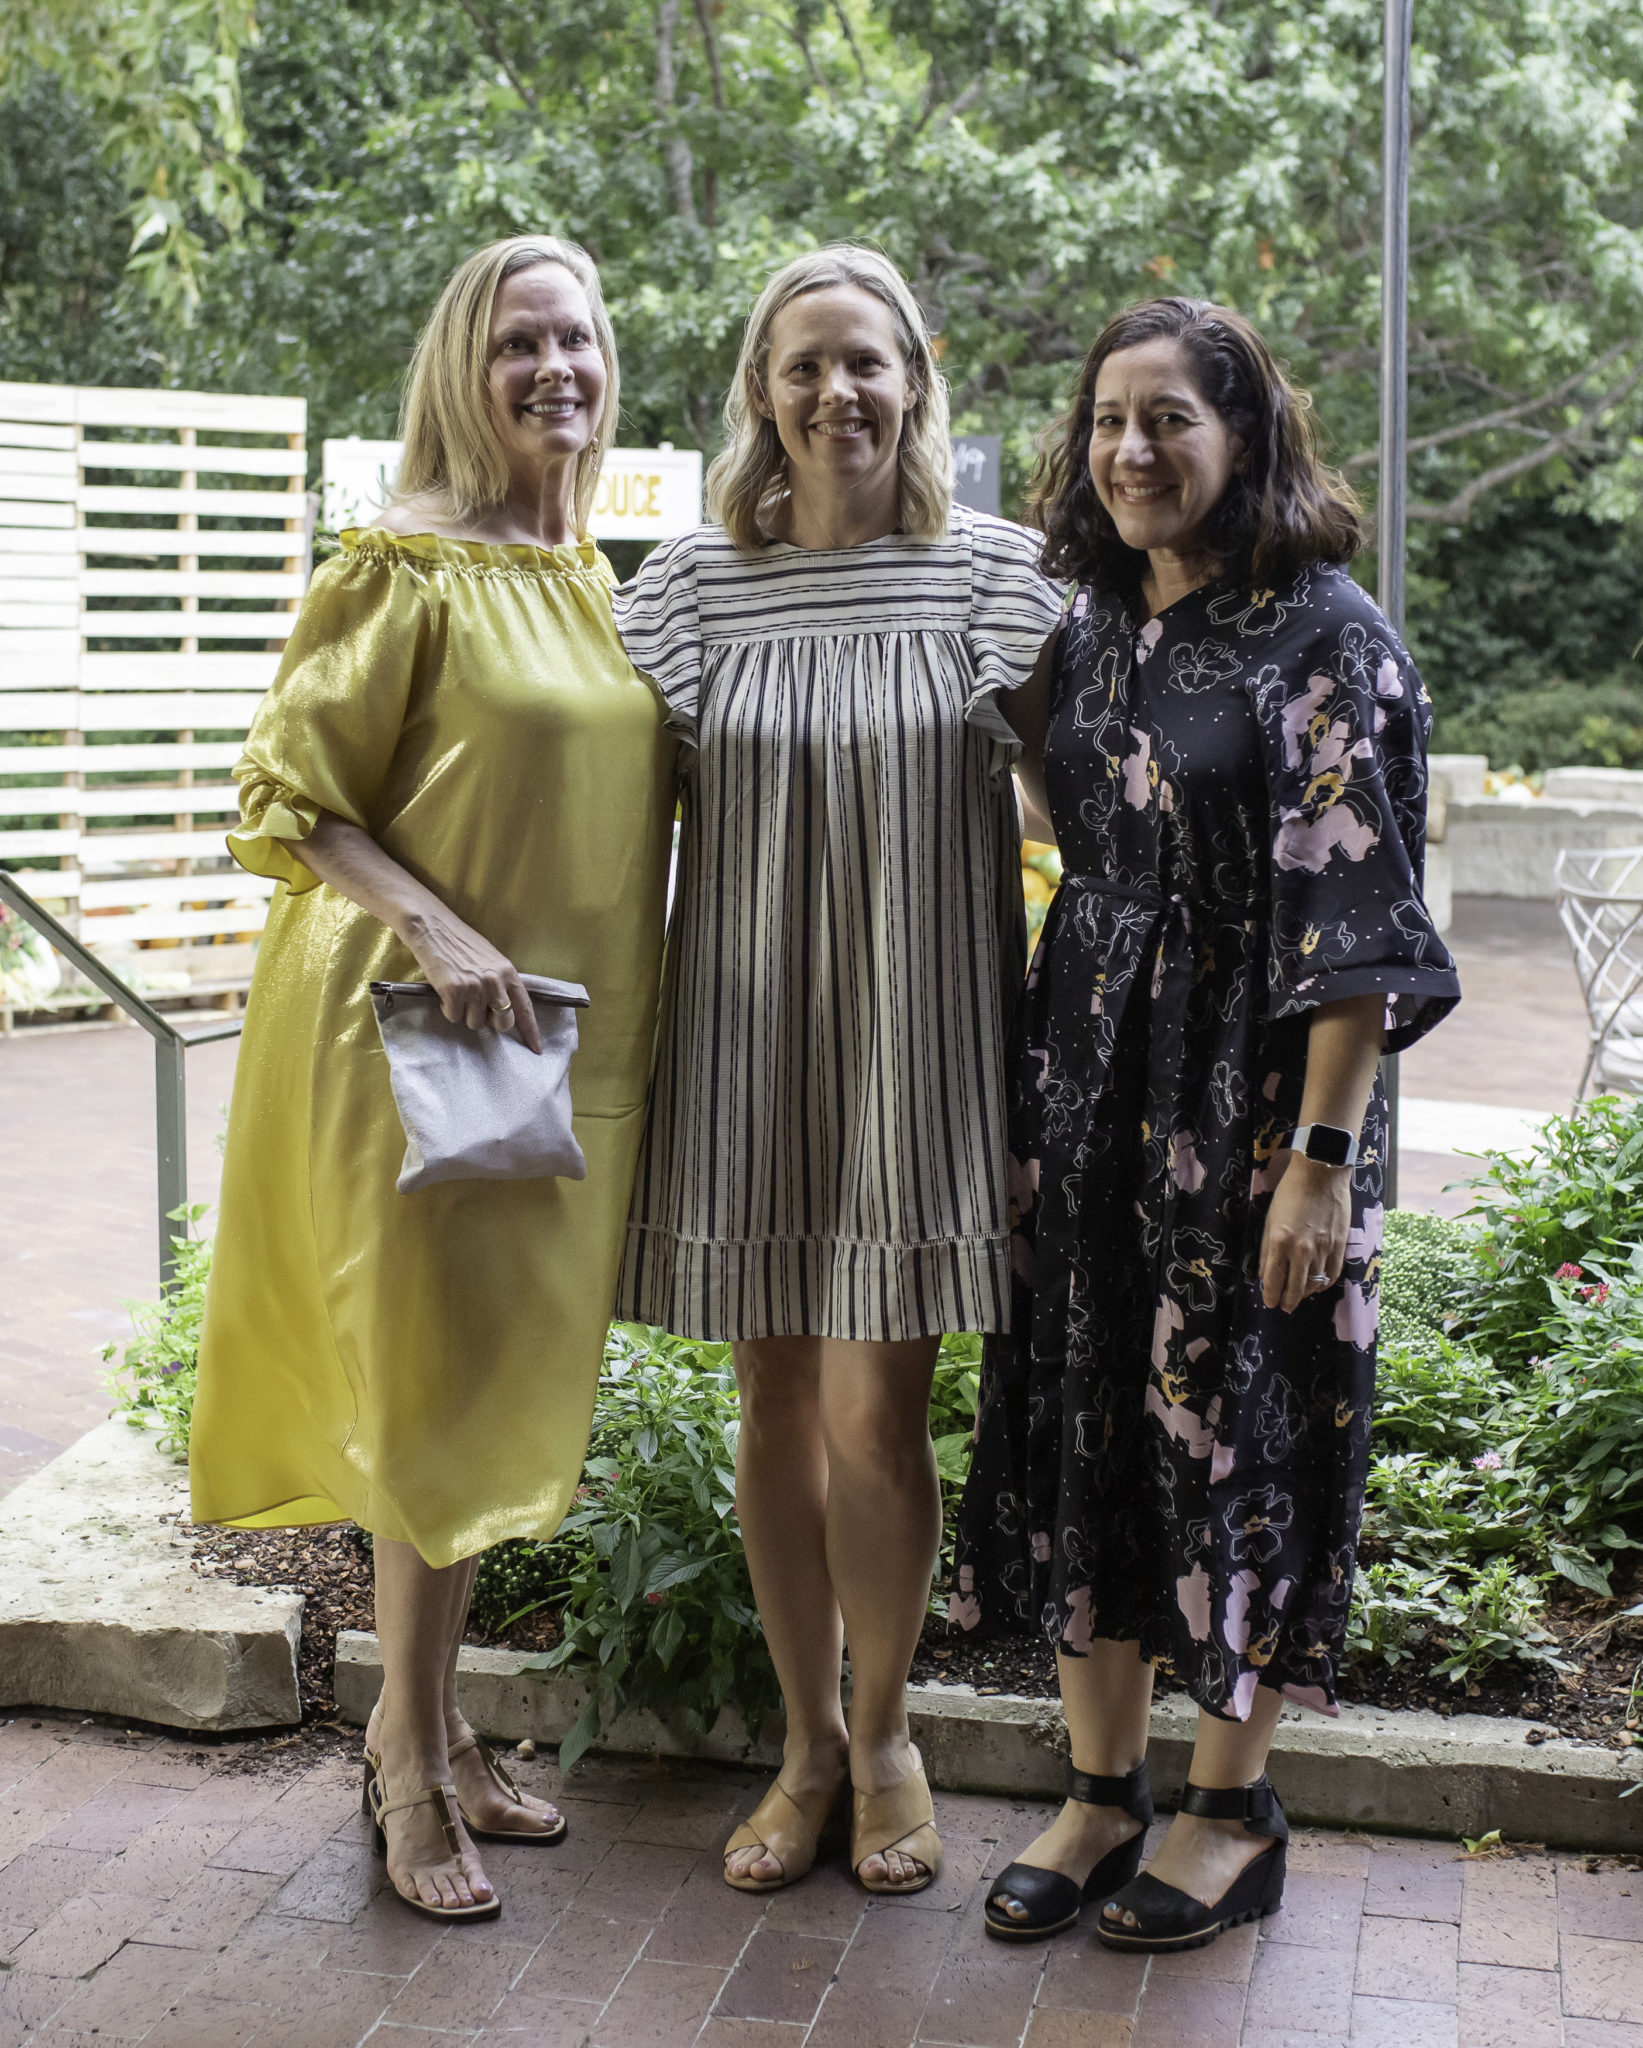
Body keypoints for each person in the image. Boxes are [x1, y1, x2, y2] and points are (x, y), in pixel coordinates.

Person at [952, 297, 1459, 1952]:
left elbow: (1362, 934)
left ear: (1244, 436)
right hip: (1094, 1091)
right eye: (1109, 420)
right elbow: (1089, 830)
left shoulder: (1325, 637)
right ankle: (1102, 1792)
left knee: (1245, 1432)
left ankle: (1231, 1812)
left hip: (1253, 1116)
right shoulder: (1095, 624)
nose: (1131, 450)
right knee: (1090, 1414)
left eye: (1170, 418)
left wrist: (1319, 1168)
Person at [190, 236, 677, 1923]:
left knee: (479, 1383)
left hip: (547, 1050)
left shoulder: (596, 576)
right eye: (517, 342)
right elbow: (287, 797)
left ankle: (439, 1723)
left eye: (577, 338)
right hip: (401, 1035)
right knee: (420, 1388)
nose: (555, 368)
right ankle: (402, 1754)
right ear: (465, 372)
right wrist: (439, 926)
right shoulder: (400, 564)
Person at [611, 245, 1063, 1895]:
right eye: (803, 365)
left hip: (919, 1051)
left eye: (865, 361)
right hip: (745, 1048)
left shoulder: (993, 580)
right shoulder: (685, 591)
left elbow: (1098, 823)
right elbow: (599, 834)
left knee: (880, 1415)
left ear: (916, 376)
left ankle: (886, 1742)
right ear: (761, 389)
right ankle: (804, 1748)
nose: (836, 392)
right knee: (774, 1401)